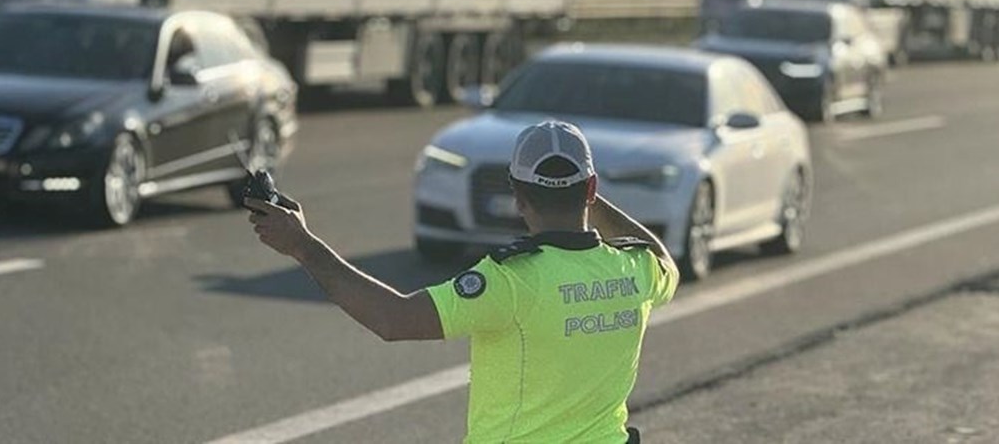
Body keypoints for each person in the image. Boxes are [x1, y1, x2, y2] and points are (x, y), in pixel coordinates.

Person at [246, 121, 679, 443]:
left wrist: (302, 245)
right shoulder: (636, 269)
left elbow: (393, 319)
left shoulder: (512, 280)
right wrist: (582, 194)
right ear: (591, 189)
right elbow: (663, 258)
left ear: (516, 194)